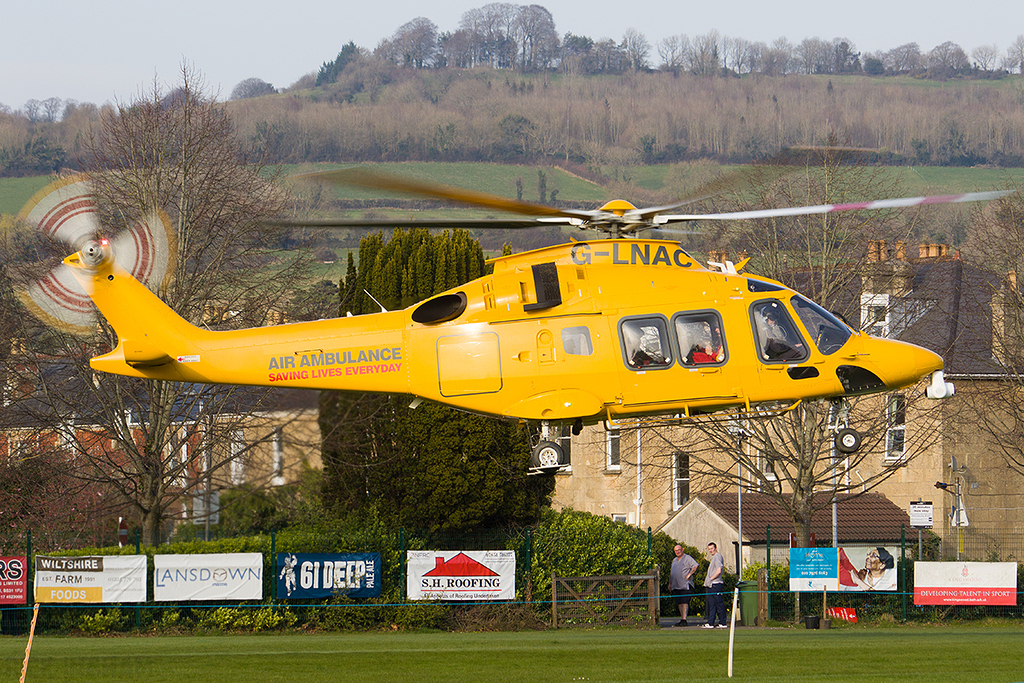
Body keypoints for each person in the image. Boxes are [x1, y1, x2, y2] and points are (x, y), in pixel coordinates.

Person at [668, 544, 699, 626]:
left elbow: (695, 565)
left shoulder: (687, 558)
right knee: (679, 602)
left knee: (685, 602)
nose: (677, 552)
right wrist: (670, 583)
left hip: (685, 584)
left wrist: (689, 574)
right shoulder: (674, 560)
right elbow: (672, 573)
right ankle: (682, 619)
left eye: (679, 550)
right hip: (676, 585)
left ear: (682, 549)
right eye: (676, 550)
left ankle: (684, 619)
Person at [702, 542, 727, 628]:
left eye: (712, 549)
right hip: (711, 584)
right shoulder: (714, 558)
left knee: (718, 603)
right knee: (712, 604)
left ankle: (723, 622)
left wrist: (711, 578)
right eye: (709, 549)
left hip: (716, 584)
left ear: (715, 548)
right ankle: (711, 622)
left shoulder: (717, 556)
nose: (710, 551)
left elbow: (719, 570)